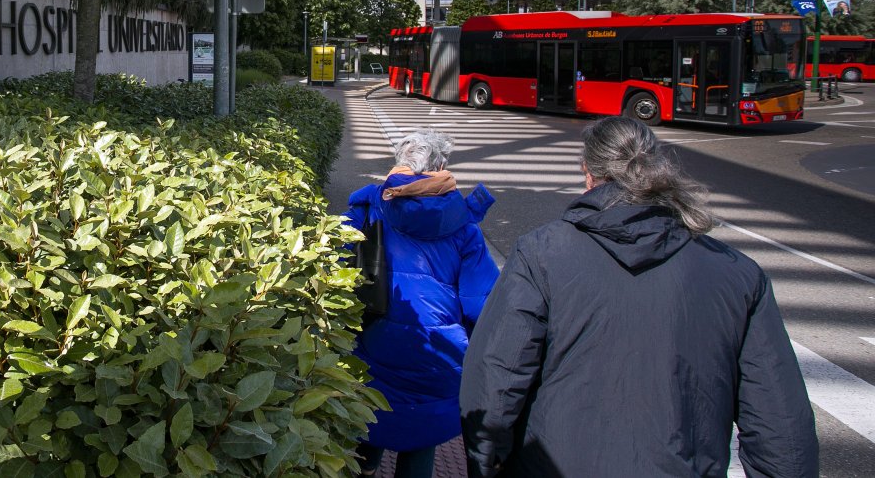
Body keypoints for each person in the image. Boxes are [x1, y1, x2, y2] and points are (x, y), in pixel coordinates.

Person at [459, 116, 818, 477]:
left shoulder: (542, 255)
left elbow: (495, 379)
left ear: (588, 173)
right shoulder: (737, 273)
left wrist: (488, 464)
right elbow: (782, 427)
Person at [343, 128, 500, 477]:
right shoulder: (464, 228)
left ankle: (365, 466)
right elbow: (481, 304)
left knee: (370, 415)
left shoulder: (368, 208)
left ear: (399, 163)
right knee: (420, 436)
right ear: (442, 166)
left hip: (373, 341)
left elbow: (335, 268)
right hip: (437, 355)